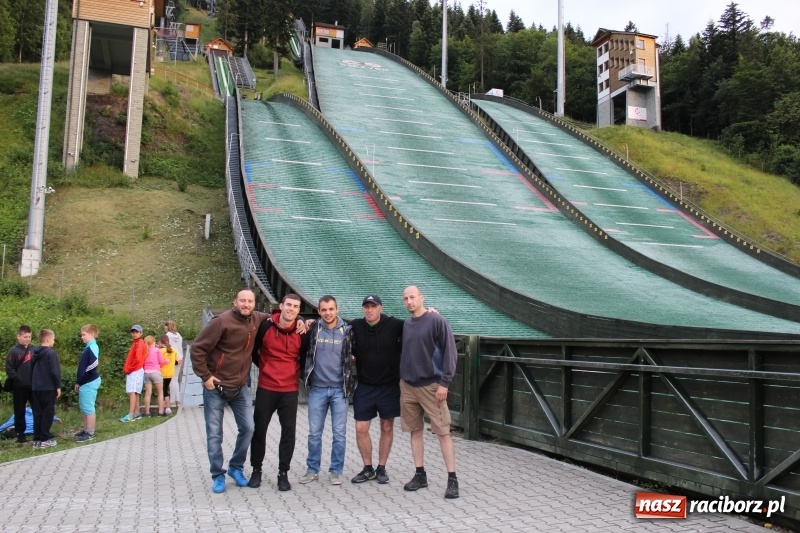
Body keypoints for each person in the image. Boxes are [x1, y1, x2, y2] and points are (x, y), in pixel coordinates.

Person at [190, 288, 268, 494]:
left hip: (240, 386)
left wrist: (306, 322)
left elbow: (278, 317)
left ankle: (235, 467)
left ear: (254, 304)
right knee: (215, 434)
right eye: (242, 301)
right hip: (215, 386)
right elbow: (197, 348)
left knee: (249, 428)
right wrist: (205, 376)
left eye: (250, 301)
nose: (246, 305)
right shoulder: (221, 322)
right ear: (235, 302)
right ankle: (217, 475)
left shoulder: (256, 319)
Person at [399, 285, 460, 499]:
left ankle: (452, 479)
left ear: (421, 298)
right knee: (415, 431)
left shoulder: (436, 320)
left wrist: (445, 382)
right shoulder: (406, 324)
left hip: (432, 386)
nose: (409, 301)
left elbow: (450, 351)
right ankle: (420, 474)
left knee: (443, 432)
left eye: (412, 297)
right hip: (408, 386)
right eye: (405, 298)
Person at [248, 293, 308, 491]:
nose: (291, 309)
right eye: (288, 305)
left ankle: (283, 473)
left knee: (288, 433)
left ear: (299, 311)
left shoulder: (302, 332)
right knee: (259, 430)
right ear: (281, 306)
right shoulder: (265, 326)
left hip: (290, 390)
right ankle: (256, 470)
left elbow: (304, 357)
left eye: (296, 307)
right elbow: (254, 351)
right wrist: (266, 368)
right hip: (266, 387)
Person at [349, 294, 404, 485]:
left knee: (387, 426)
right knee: (361, 427)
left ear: (380, 307)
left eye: (373, 306)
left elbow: (417, 324)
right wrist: (304, 323)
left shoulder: (396, 325)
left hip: (389, 386)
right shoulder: (355, 326)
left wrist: (431, 314)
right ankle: (367, 468)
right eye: (366, 307)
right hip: (365, 385)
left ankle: (381, 467)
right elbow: (331, 323)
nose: (369, 310)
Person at [299, 295, 354, 486]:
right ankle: (312, 469)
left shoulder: (347, 330)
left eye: (331, 309)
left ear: (337, 309)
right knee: (314, 433)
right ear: (318, 311)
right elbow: (298, 328)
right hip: (318, 389)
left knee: (339, 433)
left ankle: (336, 471)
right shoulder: (313, 328)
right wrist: (303, 321)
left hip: (340, 389)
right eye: (324, 310)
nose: (328, 313)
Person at [31, 329, 61, 449]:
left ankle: (37, 439)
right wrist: (57, 386)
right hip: (48, 387)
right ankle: (44, 439)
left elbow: (31, 369)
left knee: (37, 413)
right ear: (48, 340)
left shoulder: (34, 352)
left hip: (36, 387)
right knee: (47, 413)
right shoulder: (50, 353)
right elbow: (55, 371)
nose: (54, 342)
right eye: (53, 339)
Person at [5, 325, 34, 443]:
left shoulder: (33, 349)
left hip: (33, 385)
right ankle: (20, 434)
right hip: (19, 386)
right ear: (19, 337)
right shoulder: (13, 351)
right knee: (19, 410)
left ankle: (40, 431)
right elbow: (9, 368)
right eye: (25, 337)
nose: (27, 339)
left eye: (29, 337)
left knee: (37, 408)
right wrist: (18, 379)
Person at [74, 324, 102, 443]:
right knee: (84, 407)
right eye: (81, 335)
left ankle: (90, 432)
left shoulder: (93, 346)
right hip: (83, 382)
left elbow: (94, 363)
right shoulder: (87, 347)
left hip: (89, 381)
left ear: (92, 335)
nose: (82, 337)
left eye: (84, 335)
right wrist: (78, 381)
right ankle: (86, 429)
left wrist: (85, 376)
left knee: (89, 407)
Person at [120, 325, 146, 422]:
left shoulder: (139, 343)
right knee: (135, 393)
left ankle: (131, 414)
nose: (134, 334)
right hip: (135, 370)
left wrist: (129, 368)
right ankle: (137, 412)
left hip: (135, 370)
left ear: (141, 333)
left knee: (132, 392)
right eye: (133, 332)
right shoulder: (136, 343)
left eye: (136, 332)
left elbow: (138, 359)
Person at [142, 335, 169, 417]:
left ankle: (147, 412)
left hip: (146, 373)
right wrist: (166, 361)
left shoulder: (144, 351)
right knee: (160, 392)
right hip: (156, 372)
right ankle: (160, 412)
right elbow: (161, 361)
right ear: (153, 342)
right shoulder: (157, 350)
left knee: (147, 393)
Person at [164, 320, 183, 406]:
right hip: (180, 358)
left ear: (167, 326)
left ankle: (172, 400)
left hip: (172, 358)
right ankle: (178, 399)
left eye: (165, 326)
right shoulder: (179, 335)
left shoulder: (167, 336)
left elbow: (168, 347)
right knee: (176, 379)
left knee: (172, 380)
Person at [158, 334, 178, 415]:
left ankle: (164, 408)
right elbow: (176, 362)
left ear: (160, 342)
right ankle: (167, 408)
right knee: (165, 390)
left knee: (162, 391)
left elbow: (157, 361)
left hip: (161, 373)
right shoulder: (174, 350)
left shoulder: (160, 351)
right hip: (170, 374)